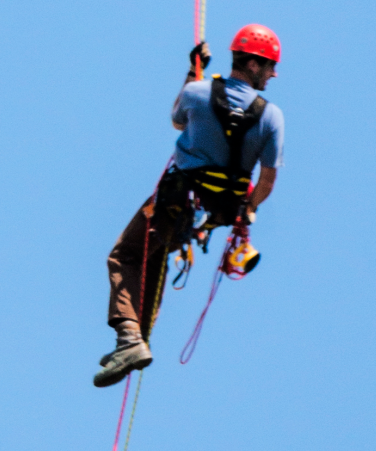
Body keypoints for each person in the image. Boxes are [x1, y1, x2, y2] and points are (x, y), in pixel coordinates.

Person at [95, 24, 286, 387]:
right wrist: (249, 208)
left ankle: (130, 339)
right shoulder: (271, 116)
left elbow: (175, 119)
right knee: (151, 256)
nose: (274, 74)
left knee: (126, 256)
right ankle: (137, 340)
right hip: (210, 215)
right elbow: (267, 181)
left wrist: (193, 70)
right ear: (253, 64)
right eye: (270, 66)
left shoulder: (197, 92)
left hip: (176, 200)